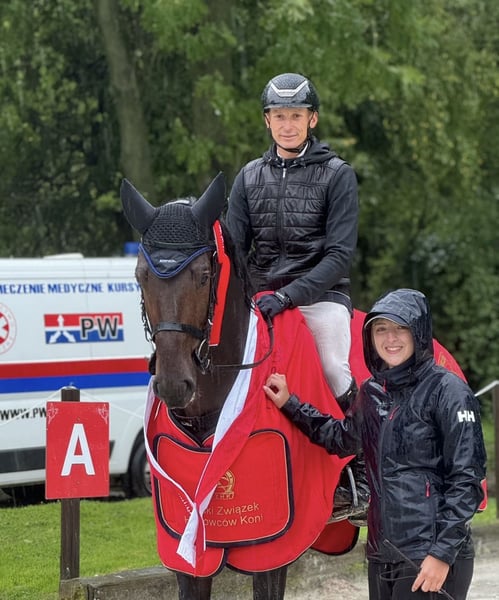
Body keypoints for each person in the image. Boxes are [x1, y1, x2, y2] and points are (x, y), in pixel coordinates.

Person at [263, 288, 487, 600]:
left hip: (432, 556)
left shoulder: (448, 391)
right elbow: (341, 438)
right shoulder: (371, 392)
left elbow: (467, 479)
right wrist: (291, 404)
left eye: (400, 328)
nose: (390, 339)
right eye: (381, 329)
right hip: (383, 554)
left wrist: (442, 553)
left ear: (419, 332)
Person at [224, 72, 367, 518]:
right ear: (267, 121)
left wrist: (288, 297)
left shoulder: (338, 174)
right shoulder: (248, 176)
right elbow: (234, 249)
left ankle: (362, 468)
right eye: (279, 116)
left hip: (320, 295)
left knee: (333, 367)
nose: (288, 125)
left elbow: (339, 256)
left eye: (296, 116)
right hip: (261, 298)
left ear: (312, 120)